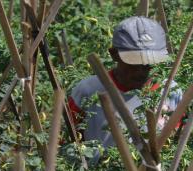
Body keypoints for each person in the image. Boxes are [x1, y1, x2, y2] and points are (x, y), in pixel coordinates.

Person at [68, 16, 182, 162]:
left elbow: (176, 141)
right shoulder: (88, 90)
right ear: (114, 54)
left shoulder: (170, 92)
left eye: (149, 63)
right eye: (134, 62)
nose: (141, 70)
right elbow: (67, 140)